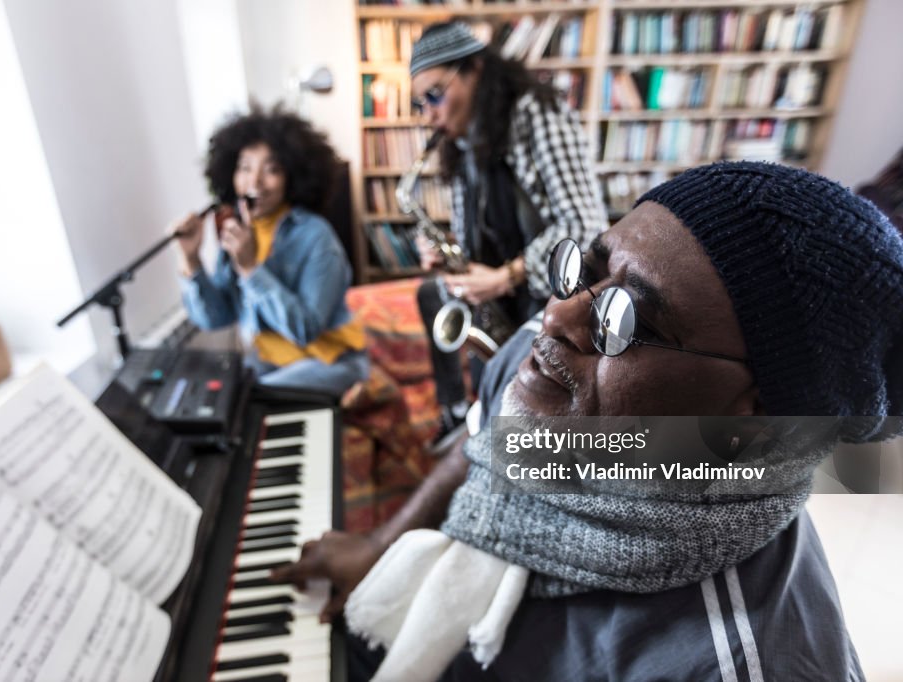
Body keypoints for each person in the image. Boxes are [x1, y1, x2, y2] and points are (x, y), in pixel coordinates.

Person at [273, 161, 903, 680]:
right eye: (587, 272)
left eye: (631, 320)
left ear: (757, 417)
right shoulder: (551, 383)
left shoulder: (741, 661)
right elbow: (491, 442)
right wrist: (381, 545)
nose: (555, 319)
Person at [408, 22, 607, 437]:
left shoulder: (536, 113)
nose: (429, 114)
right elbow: (478, 233)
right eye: (419, 104)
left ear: (474, 70)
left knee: (512, 397)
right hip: (504, 297)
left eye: (434, 95)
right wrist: (445, 247)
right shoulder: (462, 144)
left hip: (549, 295)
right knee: (432, 293)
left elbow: (585, 225)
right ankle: (458, 411)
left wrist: (506, 277)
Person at [170, 107, 368, 395]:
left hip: (329, 362)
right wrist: (190, 259)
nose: (255, 182)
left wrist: (250, 268)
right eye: (245, 167)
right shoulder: (237, 232)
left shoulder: (316, 236)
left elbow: (306, 330)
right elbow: (215, 318)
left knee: (246, 400)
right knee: (214, 394)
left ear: (292, 177)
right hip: (268, 362)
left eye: (272, 169)